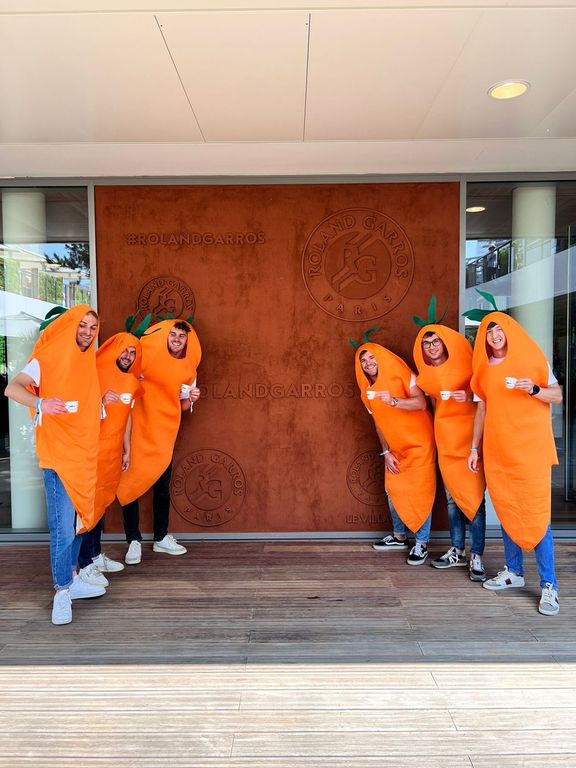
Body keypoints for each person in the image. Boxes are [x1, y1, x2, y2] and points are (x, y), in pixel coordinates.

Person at [5, 305, 105, 625]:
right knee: (63, 528)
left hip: (85, 456)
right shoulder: (46, 358)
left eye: (92, 327)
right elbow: (12, 388)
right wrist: (41, 403)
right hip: (59, 458)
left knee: (80, 523)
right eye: (82, 325)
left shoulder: (88, 361)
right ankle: (62, 592)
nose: (87, 332)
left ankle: (73, 580)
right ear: (70, 326)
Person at [468, 313, 562, 616]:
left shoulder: (533, 359)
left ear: (509, 331)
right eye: (488, 331)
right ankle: (513, 571)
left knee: (537, 514)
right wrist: (474, 448)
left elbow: (557, 395)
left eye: (499, 329)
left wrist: (533, 389)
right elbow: (481, 410)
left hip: (531, 452)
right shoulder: (483, 368)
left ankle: (549, 585)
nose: (494, 335)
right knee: (508, 509)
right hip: (499, 451)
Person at [117, 319, 201, 564]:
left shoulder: (189, 369)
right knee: (130, 483)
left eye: (182, 336)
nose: (176, 339)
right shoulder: (143, 358)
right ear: (165, 335)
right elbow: (122, 377)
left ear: (187, 341)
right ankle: (133, 540)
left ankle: (161, 537)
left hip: (164, 435)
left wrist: (191, 397)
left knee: (162, 486)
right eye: (173, 334)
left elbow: (182, 405)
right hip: (138, 430)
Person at [413, 326, 487, 581]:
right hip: (446, 442)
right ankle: (458, 550)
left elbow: (484, 397)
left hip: (470, 441)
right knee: (452, 499)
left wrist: (467, 396)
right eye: (426, 344)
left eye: (435, 341)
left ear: (445, 344)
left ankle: (476, 554)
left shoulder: (467, 366)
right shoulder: (427, 376)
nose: (431, 347)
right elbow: (435, 407)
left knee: (474, 499)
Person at [355, 341, 436, 566]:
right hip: (395, 447)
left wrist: (393, 401)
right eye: (363, 360)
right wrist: (386, 451)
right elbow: (378, 423)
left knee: (421, 492)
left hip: (420, 443)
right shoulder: (367, 390)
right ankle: (400, 537)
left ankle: (422, 543)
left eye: (372, 357)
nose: (368, 363)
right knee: (392, 488)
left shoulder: (403, 375)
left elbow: (421, 403)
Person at [77, 333, 142, 587]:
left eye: (133, 352)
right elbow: (78, 408)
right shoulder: (94, 373)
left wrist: (127, 448)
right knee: (89, 508)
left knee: (101, 504)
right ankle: (85, 564)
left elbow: (127, 416)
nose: (128, 356)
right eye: (124, 351)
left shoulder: (131, 381)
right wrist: (100, 401)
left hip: (112, 453)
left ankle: (95, 556)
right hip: (92, 452)